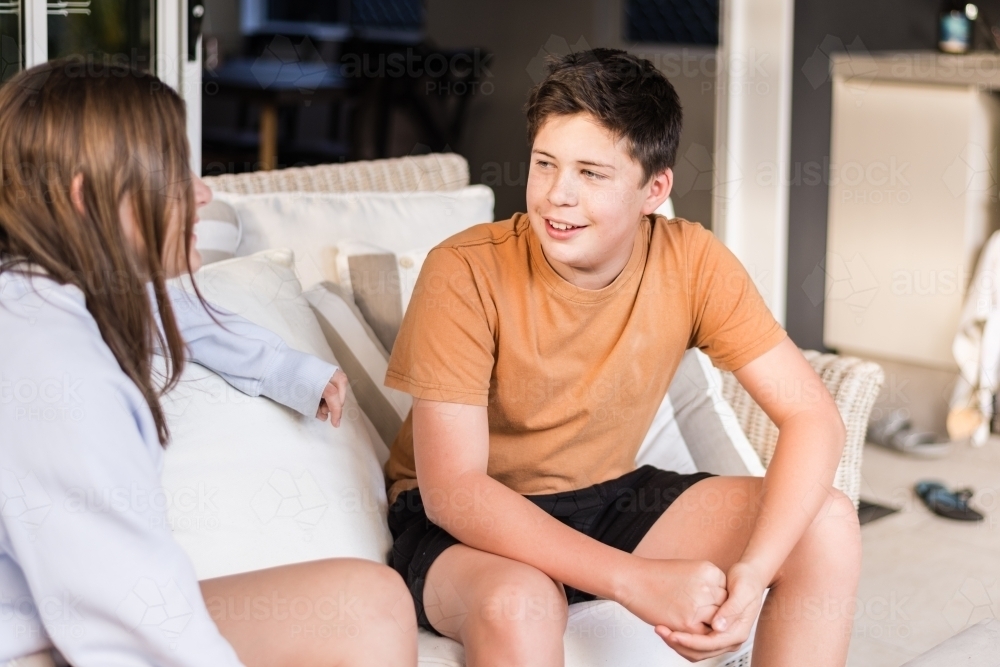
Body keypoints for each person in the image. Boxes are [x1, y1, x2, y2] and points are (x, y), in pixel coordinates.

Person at [383, 49, 862, 666]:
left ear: (653, 190)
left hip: (608, 498)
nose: (558, 195)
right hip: (468, 525)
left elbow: (813, 419)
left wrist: (753, 572)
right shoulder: (464, 269)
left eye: (591, 173)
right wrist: (634, 581)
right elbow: (456, 492)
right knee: (522, 602)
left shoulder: (692, 261)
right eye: (545, 164)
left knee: (826, 521)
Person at [0, 60, 416, 666]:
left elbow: (189, 319)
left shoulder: (63, 299)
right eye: (171, 173)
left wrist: (294, 373)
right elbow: (129, 626)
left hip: (49, 621)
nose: (201, 193)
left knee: (368, 602)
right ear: (85, 199)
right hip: (39, 640)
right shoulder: (51, 363)